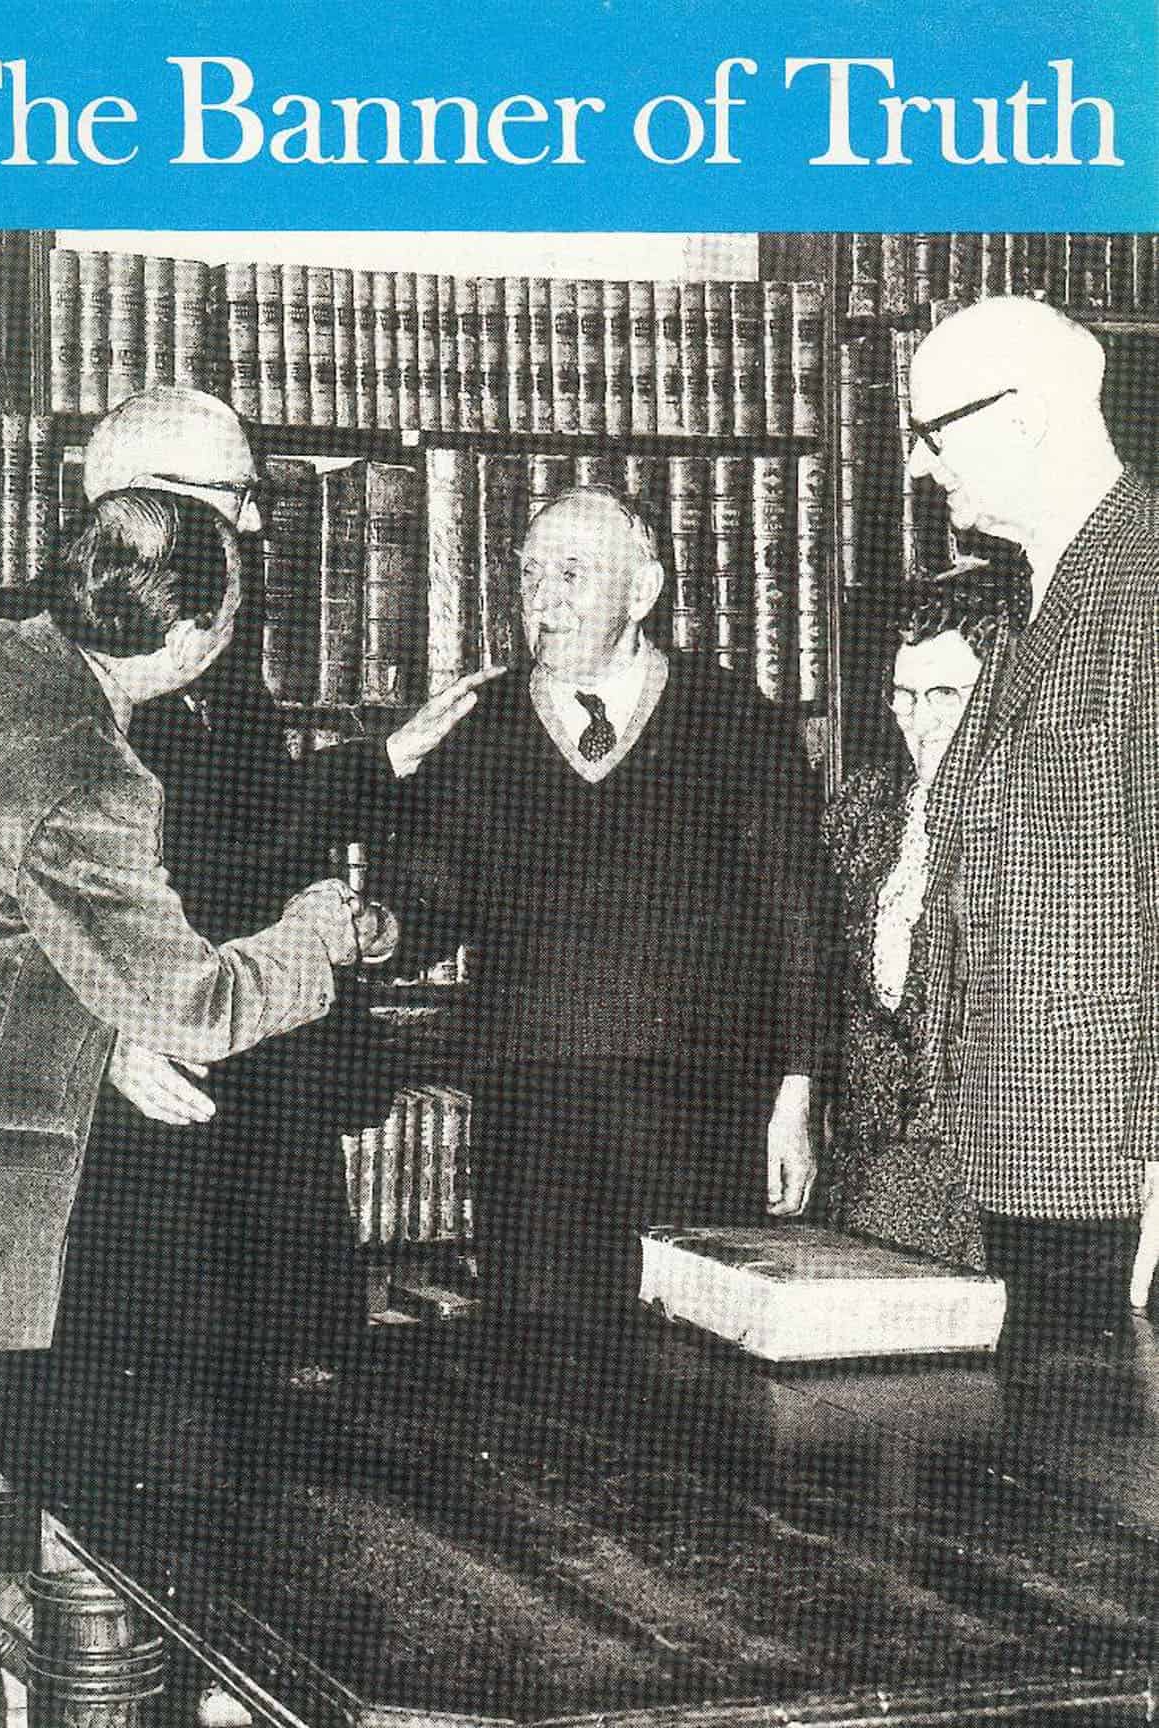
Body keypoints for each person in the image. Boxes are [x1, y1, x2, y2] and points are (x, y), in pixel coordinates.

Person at [0, 490, 387, 1728]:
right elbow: (198, 1004)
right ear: (198, 635)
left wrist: (84, 1033)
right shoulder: (90, 772)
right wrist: (319, 933)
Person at [59, 387, 491, 1405]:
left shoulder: (213, 638)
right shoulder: (61, 668)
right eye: (237, 495)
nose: (255, 523)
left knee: (289, 1384)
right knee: (149, 1392)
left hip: (260, 1076)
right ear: (138, 496)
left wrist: (380, 766)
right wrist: (93, 1038)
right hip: (146, 1101)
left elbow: (241, 835)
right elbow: (8, 898)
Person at [324, 484, 824, 1334]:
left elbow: (798, 921)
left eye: (570, 574)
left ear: (642, 590)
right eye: (528, 576)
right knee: (541, 1347)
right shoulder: (478, 725)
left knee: (693, 1354)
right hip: (535, 1105)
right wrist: (384, 929)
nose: (541, 600)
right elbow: (433, 888)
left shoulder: (735, 717)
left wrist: (797, 1094)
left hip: (701, 1100)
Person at [907, 296, 1159, 1358]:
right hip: (1016, 1150)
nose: (918, 465)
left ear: (1021, 416)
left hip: (1109, 1169)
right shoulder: (1030, 605)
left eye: (932, 432)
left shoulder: (1145, 585)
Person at [821, 572, 1003, 1269]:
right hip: (862, 1177)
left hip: (978, 1184)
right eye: (902, 695)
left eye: (944, 697)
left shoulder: (1027, 827)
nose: (916, 721)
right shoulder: (862, 811)